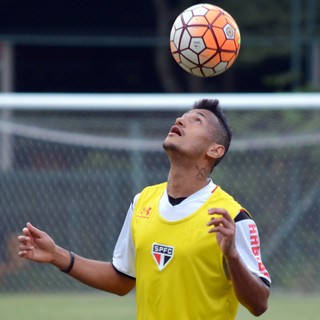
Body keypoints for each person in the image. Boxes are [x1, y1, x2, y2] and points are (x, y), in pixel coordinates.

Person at [18, 99, 270, 319]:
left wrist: (233, 256)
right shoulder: (143, 201)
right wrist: (56, 255)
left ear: (215, 150)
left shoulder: (232, 218)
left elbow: (259, 304)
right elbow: (121, 280)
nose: (181, 120)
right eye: (182, 116)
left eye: (197, 120)